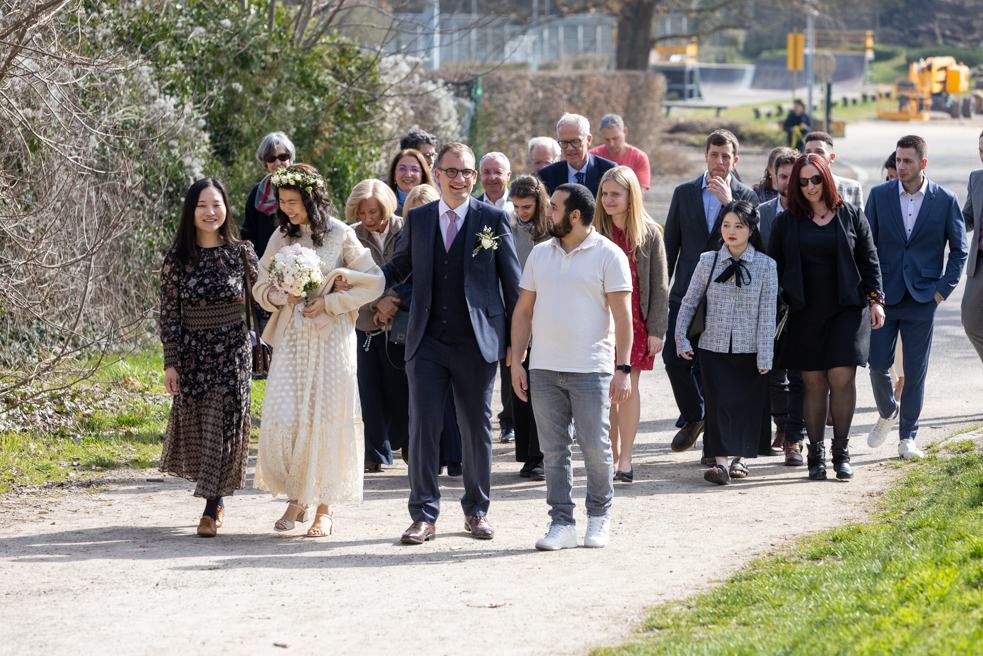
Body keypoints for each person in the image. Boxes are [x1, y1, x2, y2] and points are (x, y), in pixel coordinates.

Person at [381, 143, 521, 545]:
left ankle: (477, 511)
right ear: (438, 174)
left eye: (468, 172)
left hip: (477, 341)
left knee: (476, 427)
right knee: (423, 425)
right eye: (453, 172)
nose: (461, 179)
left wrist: (517, 344)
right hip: (426, 339)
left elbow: (512, 285)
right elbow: (399, 266)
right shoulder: (420, 217)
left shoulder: (493, 219)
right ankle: (424, 515)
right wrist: (363, 279)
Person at [253, 164, 385, 537]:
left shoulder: (341, 235)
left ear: (311, 200)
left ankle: (324, 507)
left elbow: (374, 282)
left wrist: (329, 302)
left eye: (293, 201)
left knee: (328, 417)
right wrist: (283, 295)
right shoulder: (281, 236)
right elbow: (260, 286)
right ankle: (297, 497)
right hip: (294, 342)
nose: (287, 208)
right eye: (282, 201)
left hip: (331, 341)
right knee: (290, 416)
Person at [510, 183, 633, 550]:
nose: (547, 212)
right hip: (543, 369)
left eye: (554, 208)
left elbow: (623, 317)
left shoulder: (609, 255)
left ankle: (599, 516)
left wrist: (623, 368)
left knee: (595, 447)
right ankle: (561, 523)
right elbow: (523, 311)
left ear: (575, 215)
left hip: (591, 369)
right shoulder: (539, 254)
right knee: (553, 452)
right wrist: (517, 361)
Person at [769, 154, 885, 481]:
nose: (810, 187)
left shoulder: (851, 215)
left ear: (827, 178)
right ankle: (815, 454)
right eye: (803, 181)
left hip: (847, 309)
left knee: (842, 378)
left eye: (816, 179)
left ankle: (841, 453)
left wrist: (876, 301)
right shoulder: (786, 221)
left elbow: (870, 261)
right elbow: (773, 268)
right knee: (813, 383)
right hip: (804, 313)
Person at [159, 179, 258, 538]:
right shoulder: (177, 258)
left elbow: (264, 298)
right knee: (202, 426)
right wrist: (171, 362)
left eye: (216, 204)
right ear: (191, 211)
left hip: (233, 350)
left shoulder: (242, 253)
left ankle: (211, 507)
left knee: (223, 422)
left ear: (226, 209)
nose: (210, 212)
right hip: (193, 352)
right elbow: (169, 313)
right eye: (202, 205)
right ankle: (216, 498)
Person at [865, 135, 967, 460]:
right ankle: (888, 410)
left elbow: (960, 250)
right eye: (898, 159)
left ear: (923, 163)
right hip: (884, 296)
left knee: (914, 370)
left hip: (924, 298)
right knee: (876, 363)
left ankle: (907, 437)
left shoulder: (945, 200)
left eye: (908, 161)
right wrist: (872, 295)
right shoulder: (879, 195)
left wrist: (940, 292)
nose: (901, 166)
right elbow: (866, 248)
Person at [663, 129, 759, 462]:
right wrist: (662, 295)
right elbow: (670, 247)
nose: (719, 161)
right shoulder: (684, 192)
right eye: (714, 154)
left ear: (735, 160)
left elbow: (754, 246)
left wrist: (729, 204)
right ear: (705, 156)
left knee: (715, 372)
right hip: (685, 295)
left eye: (726, 156)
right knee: (675, 360)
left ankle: (713, 449)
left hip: (727, 299)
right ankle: (696, 415)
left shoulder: (746, 195)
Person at [676, 201, 778, 485]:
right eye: (726, 225)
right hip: (713, 346)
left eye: (739, 226)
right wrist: (680, 337)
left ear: (752, 229)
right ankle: (720, 464)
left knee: (746, 405)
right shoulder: (708, 261)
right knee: (717, 404)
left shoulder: (766, 265)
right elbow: (690, 301)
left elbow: (767, 314)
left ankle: (740, 459)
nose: (731, 231)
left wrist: (765, 355)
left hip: (750, 349)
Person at [594, 166, 669, 482]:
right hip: (599, 321)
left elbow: (660, 286)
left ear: (631, 196)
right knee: (604, 390)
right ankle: (609, 458)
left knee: (627, 386)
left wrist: (657, 329)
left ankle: (625, 459)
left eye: (616, 194)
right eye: (604, 193)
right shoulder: (594, 232)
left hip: (636, 322)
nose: (608, 199)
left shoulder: (650, 233)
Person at [398, 184, 465, 477]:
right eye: (414, 211)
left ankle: (455, 456)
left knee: (453, 400)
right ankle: (430, 463)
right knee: (426, 403)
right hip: (422, 326)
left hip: (458, 327)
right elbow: (401, 277)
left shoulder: (458, 230)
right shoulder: (407, 235)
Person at [347, 179, 409, 474]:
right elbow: (348, 280)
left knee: (400, 387)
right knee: (368, 389)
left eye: (372, 212)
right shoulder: (352, 235)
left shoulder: (407, 228)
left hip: (402, 320)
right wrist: (376, 304)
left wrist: (392, 300)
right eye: (362, 213)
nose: (368, 219)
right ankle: (374, 451)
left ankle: (406, 440)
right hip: (366, 323)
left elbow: (413, 270)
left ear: (385, 207)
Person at [758, 148, 805, 465]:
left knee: (800, 375)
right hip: (769, 306)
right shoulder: (760, 214)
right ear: (773, 177)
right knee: (774, 374)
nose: (787, 182)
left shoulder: (812, 213)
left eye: (793, 176)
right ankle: (782, 428)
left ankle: (795, 437)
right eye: (782, 176)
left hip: (803, 306)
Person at [507, 174, 552, 479]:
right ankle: (526, 452)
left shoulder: (552, 233)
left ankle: (540, 456)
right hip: (517, 316)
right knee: (519, 388)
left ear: (540, 203)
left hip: (546, 316)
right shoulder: (508, 231)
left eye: (527, 206)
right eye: (516, 206)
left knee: (541, 390)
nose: (521, 212)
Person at [241, 132, 296, 344]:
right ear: (265, 162)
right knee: (270, 343)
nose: (278, 163)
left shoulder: (304, 188)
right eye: (271, 158)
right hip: (267, 278)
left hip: (301, 275)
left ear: (290, 157)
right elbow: (248, 238)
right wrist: (247, 281)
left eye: (282, 156)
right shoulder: (257, 194)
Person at [537, 113, 616, 197]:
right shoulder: (546, 176)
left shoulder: (608, 170)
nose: (569, 148)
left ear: (589, 140)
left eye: (575, 141)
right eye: (564, 142)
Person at [962, 130, 983, 364]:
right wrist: (948, 221)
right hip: (980, 264)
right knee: (970, 322)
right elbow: (968, 217)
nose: (982, 156)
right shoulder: (976, 178)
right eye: (980, 151)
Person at [802, 131, 865, 209]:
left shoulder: (852, 187)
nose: (813, 156)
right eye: (808, 152)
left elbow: (860, 216)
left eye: (819, 152)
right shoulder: (800, 187)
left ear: (831, 157)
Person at [589, 114, 651, 190]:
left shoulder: (639, 157)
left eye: (615, 138)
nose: (611, 144)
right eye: (607, 139)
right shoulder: (592, 156)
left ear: (624, 132)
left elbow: (639, 193)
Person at [386, 148, 435, 215]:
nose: (408, 175)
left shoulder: (434, 205)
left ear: (423, 175)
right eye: (402, 169)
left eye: (414, 169)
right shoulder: (383, 204)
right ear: (394, 174)